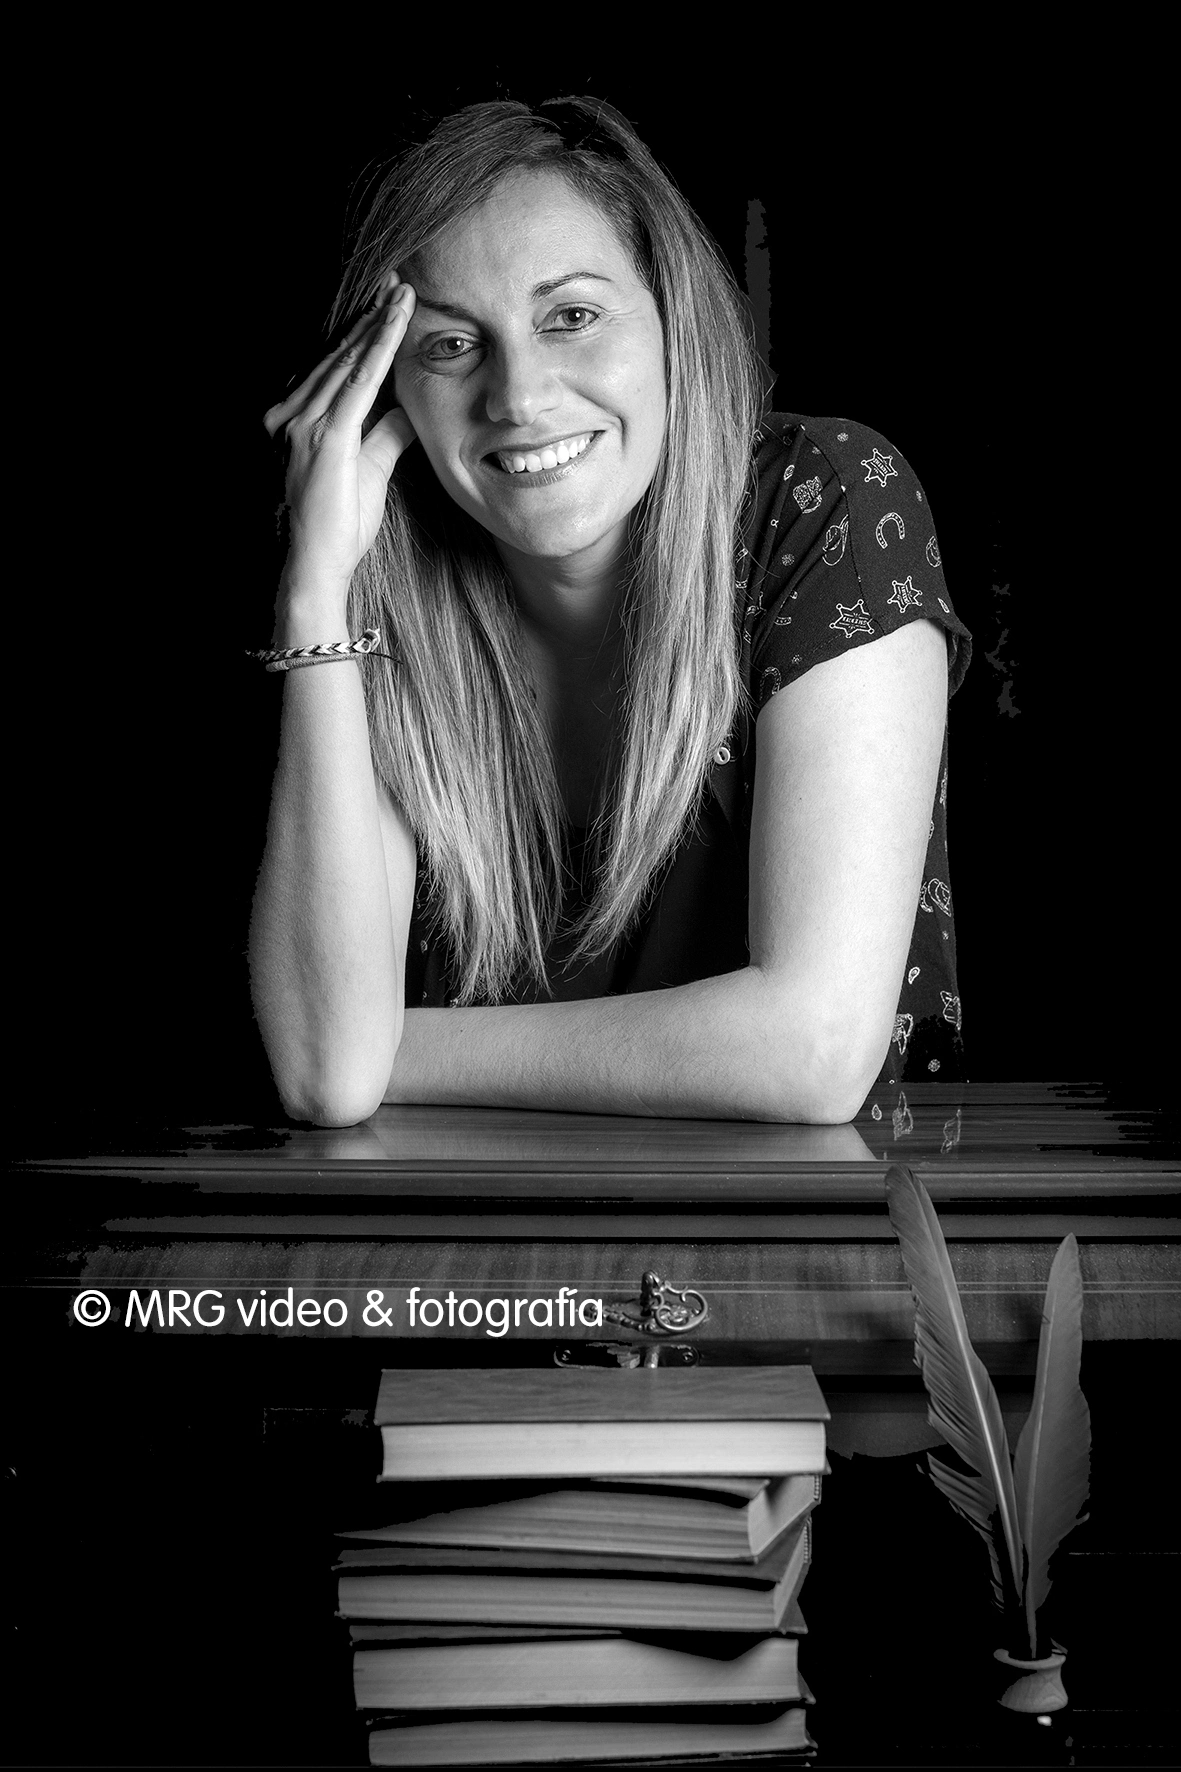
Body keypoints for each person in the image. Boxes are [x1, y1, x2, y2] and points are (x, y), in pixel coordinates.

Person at [250, 97, 972, 1128]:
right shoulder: (376, 576)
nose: (518, 396)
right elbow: (325, 1076)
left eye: (571, 317)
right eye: (449, 344)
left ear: (673, 319)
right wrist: (313, 587)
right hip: (456, 1216)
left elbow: (811, 1049)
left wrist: (381, 1047)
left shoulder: (823, 501)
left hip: (809, 1218)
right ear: (386, 390)